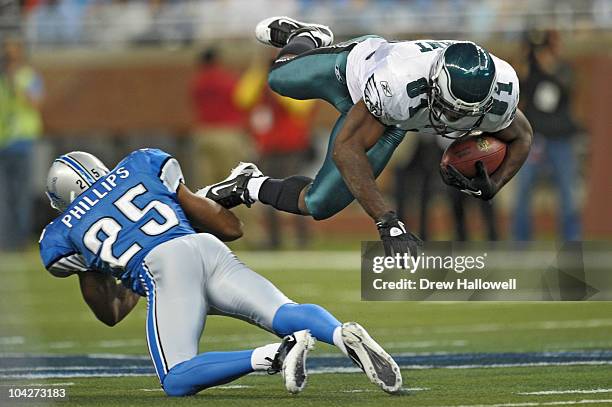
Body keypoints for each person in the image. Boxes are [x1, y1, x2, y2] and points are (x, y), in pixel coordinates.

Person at [38, 148, 402, 396]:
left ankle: (273, 355)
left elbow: (111, 313)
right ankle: (340, 333)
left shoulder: (61, 234)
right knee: (285, 311)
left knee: (176, 377)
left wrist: (108, 267)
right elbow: (230, 229)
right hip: (205, 248)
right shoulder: (141, 164)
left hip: (163, 268)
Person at [200, 17, 533, 256]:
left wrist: (497, 182)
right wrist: (387, 221)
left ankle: (248, 184)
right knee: (279, 79)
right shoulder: (400, 84)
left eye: (466, 114)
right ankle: (308, 36)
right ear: (434, 84)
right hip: (355, 73)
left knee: (318, 204)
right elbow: (346, 150)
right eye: (451, 108)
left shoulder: (501, 91)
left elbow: (523, 136)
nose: (455, 120)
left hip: (394, 120)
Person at [234, 54, 315, 248]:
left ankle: (302, 239)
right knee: (268, 192)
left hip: (292, 148)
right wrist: (259, 71)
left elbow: (301, 107)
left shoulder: (294, 84)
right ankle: (274, 240)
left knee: (298, 190)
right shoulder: (262, 85)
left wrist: (279, 85)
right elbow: (241, 98)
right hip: (268, 149)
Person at [512, 31, 581, 241]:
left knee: (568, 192)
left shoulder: (565, 70)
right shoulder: (530, 73)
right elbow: (516, 83)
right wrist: (526, 56)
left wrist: (549, 65)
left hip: (561, 140)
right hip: (535, 141)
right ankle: (520, 241)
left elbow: (568, 85)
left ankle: (571, 240)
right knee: (523, 190)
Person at [0, 37, 44, 250]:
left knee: (21, 195)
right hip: (3, 143)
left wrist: (15, 83)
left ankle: (20, 241)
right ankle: (5, 241)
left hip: (22, 143)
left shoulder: (28, 77)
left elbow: (35, 102)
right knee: (4, 196)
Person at [190, 47, 249, 186]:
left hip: (204, 133)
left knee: (207, 183)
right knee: (234, 181)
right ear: (217, 61)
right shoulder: (227, 80)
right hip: (227, 134)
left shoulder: (197, 83)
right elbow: (242, 102)